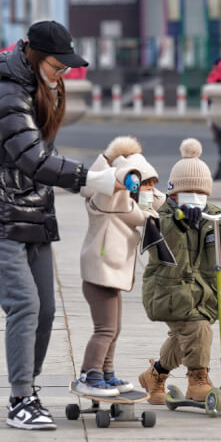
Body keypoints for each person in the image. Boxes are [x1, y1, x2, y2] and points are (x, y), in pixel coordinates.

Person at [0, 20, 135, 430]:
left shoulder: (45, 88)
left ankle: (29, 390)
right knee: (24, 305)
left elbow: (44, 157)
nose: (64, 74)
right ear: (35, 56)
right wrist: (90, 180)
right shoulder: (8, 96)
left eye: (68, 67)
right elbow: (33, 159)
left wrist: (94, 179)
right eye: (59, 66)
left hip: (32, 209)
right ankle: (20, 398)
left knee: (45, 311)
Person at [138, 138, 221, 405]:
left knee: (186, 336)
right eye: (188, 193)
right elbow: (162, 243)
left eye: (201, 193)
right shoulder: (160, 217)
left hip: (202, 293)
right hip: (169, 293)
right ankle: (197, 380)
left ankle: (155, 374)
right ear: (173, 194)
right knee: (198, 329)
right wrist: (180, 222)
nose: (196, 199)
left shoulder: (211, 215)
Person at [75, 136, 166, 397]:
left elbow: (159, 204)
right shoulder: (109, 198)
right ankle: (89, 374)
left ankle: (106, 373)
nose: (148, 189)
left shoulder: (134, 206)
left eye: (150, 184)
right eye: (144, 184)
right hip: (100, 274)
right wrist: (128, 171)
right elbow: (111, 177)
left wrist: (148, 186)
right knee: (104, 329)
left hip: (111, 276)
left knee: (114, 329)